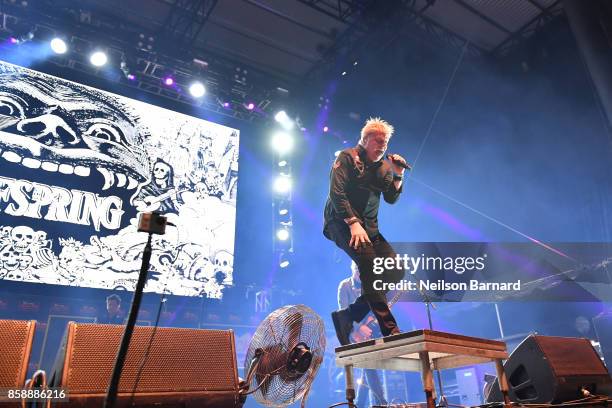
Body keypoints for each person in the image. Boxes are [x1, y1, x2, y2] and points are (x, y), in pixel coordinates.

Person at [325, 117, 408, 346]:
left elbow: (391, 198)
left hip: (370, 229)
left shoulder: (384, 167)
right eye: (377, 140)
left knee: (396, 271)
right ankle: (390, 330)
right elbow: (337, 193)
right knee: (370, 266)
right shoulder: (347, 158)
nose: (382, 145)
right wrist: (352, 222)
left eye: (386, 141)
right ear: (364, 140)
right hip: (341, 223)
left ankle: (349, 315)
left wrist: (398, 173)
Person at [338, 261, 387, 406]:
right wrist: (359, 328)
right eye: (358, 271)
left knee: (369, 366)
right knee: (369, 365)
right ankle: (381, 403)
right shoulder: (344, 286)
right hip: (354, 333)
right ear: (352, 269)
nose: (361, 275)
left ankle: (358, 404)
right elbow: (344, 313)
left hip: (370, 331)